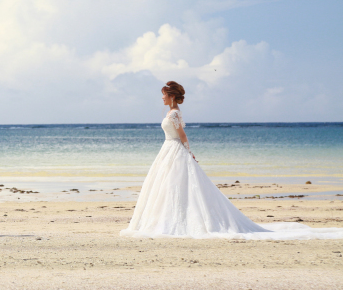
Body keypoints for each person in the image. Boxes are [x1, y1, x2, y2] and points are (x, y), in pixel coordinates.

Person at [120, 81, 343, 239]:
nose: (161, 97)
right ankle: (166, 219)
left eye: (163, 94)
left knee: (177, 186)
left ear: (171, 96)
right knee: (167, 187)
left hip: (175, 150)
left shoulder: (175, 114)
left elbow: (183, 136)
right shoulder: (171, 113)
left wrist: (189, 152)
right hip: (167, 151)